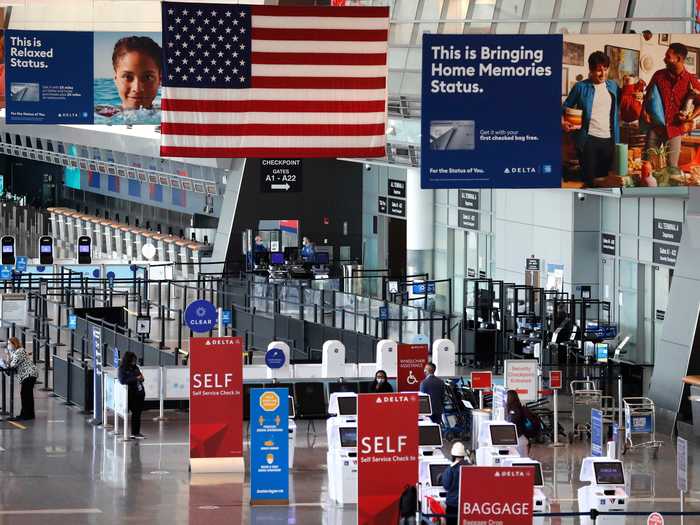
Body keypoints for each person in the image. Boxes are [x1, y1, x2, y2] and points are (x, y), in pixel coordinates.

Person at [562, 51, 620, 187]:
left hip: (609, 140)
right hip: (588, 140)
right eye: (599, 70)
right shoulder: (580, 87)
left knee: (605, 180)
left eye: (605, 69)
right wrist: (564, 122)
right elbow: (564, 107)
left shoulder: (613, 86)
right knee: (589, 180)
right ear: (591, 70)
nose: (603, 74)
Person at [644, 42, 700, 168]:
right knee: (648, 165)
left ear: (678, 59)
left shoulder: (691, 80)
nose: (664, 59)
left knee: (671, 167)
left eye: (668, 56)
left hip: (675, 130)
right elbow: (648, 96)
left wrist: (690, 118)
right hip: (655, 128)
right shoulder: (658, 75)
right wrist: (644, 112)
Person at [112, 36, 162, 111]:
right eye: (128, 77)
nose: (137, 89)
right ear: (116, 80)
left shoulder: (170, 115)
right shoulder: (100, 115)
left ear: (160, 80)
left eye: (148, 77)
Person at [7, 337, 37, 420]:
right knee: (27, 395)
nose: (8, 346)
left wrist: (8, 359)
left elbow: (13, 364)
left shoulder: (19, 351)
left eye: (9, 344)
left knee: (25, 395)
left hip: (29, 374)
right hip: (27, 375)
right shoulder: (15, 352)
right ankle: (29, 414)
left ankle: (25, 415)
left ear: (14, 344)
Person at [118, 351, 146, 439]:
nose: (134, 361)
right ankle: (133, 432)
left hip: (139, 393)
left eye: (135, 360)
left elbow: (141, 377)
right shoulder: (122, 369)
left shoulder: (136, 368)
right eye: (133, 360)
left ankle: (136, 432)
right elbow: (123, 380)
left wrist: (140, 378)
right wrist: (135, 378)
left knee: (137, 414)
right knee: (133, 413)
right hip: (130, 394)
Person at [441, 441, 470, 525]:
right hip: (467, 506)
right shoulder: (471, 468)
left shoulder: (450, 469)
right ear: (463, 455)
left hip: (453, 505)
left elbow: (446, 486)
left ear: (453, 455)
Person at [506, 389, 533, 456]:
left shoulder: (515, 409)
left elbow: (513, 422)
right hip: (520, 438)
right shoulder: (516, 407)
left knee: (521, 460)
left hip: (519, 438)